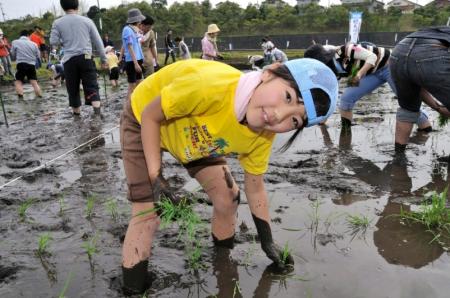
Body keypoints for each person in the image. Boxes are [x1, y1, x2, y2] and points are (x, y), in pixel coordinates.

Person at [119, 58, 338, 294]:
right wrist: (156, 177)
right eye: (288, 97)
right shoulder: (210, 86)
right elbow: (151, 116)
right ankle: (133, 290)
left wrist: (267, 241)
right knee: (147, 213)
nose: (279, 116)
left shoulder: (262, 135)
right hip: (144, 118)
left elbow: (255, 187)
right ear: (270, 72)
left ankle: (221, 261)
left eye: (294, 120)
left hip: (195, 140)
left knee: (228, 197)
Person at [304, 43, 432, 131]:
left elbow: (372, 56)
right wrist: (323, 118)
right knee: (346, 99)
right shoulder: (332, 68)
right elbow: (333, 91)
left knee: (405, 101)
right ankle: (346, 131)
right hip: (370, 72)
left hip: (389, 65)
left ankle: (425, 127)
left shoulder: (345, 49)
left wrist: (359, 74)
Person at [389, 26, 450, 154]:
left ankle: (399, 157)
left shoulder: (438, 30)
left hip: (398, 51)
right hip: (432, 51)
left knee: (407, 108)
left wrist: (438, 107)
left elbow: (418, 85)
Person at [50, 0, 107, 117]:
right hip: (86, 57)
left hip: (69, 60)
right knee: (91, 84)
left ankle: (77, 116)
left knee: (73, 88)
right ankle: (97, 113)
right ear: (77, 5)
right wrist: (103, 59)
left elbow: (53, 42)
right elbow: (98, 42)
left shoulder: (57, 23)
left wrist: (64, 41)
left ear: (62, 7)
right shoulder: (87, 21)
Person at [121, 8, 146, 101]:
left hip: (138, 59)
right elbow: (130, 47)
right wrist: (135, 64)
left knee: (139, 83)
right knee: (132, 86)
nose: (141, 21)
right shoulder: (127, 29)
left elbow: (139, 44)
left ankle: (137, 104)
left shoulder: (135, 30)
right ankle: (127, 108)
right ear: (136, 19)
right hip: (132, 61)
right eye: (139, 19)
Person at [10, 30, 42, 99]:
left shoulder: (15, 42)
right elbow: (38, 55)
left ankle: (21, 98)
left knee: (18, 81)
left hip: (21, 63)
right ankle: (39, 97)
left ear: (20, 35)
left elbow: (12, 54)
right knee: (34, 82)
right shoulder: (34, 44)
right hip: (31, 64)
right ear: (28, 35)